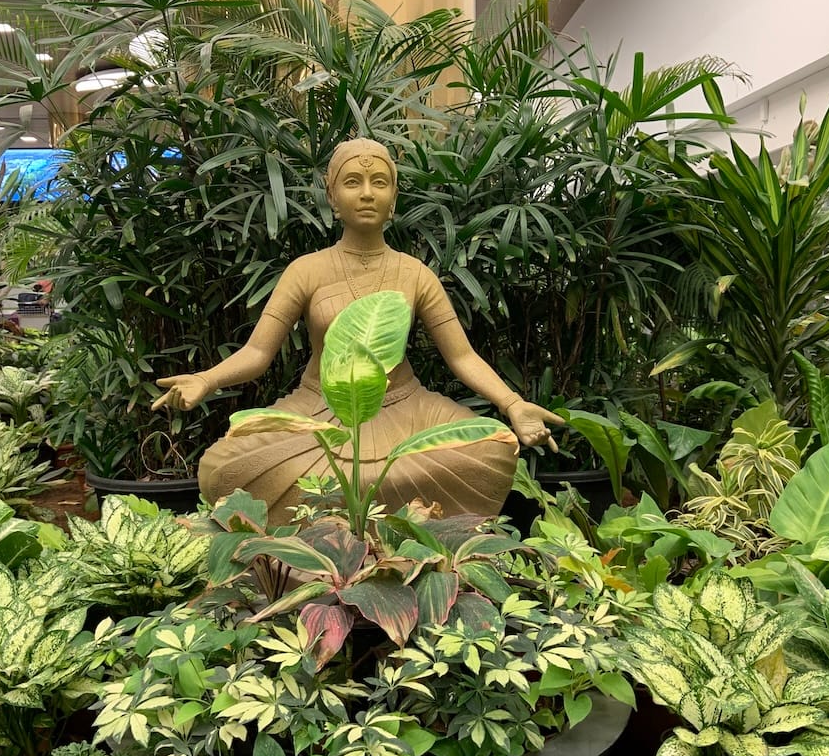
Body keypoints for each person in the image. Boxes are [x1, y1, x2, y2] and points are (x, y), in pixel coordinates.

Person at [152, 137, 562, 521]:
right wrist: (206, 381)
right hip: (319, 408)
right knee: (221, 469)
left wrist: (512, 405)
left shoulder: (415, 273)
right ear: (332, 196)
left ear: (393, 198)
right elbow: (259, 353)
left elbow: (461, 356)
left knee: (491, 453)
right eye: (353, 182)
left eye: (379, 182)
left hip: (405, 405)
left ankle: (408, 540)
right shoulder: (306, 270)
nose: (367, 193)